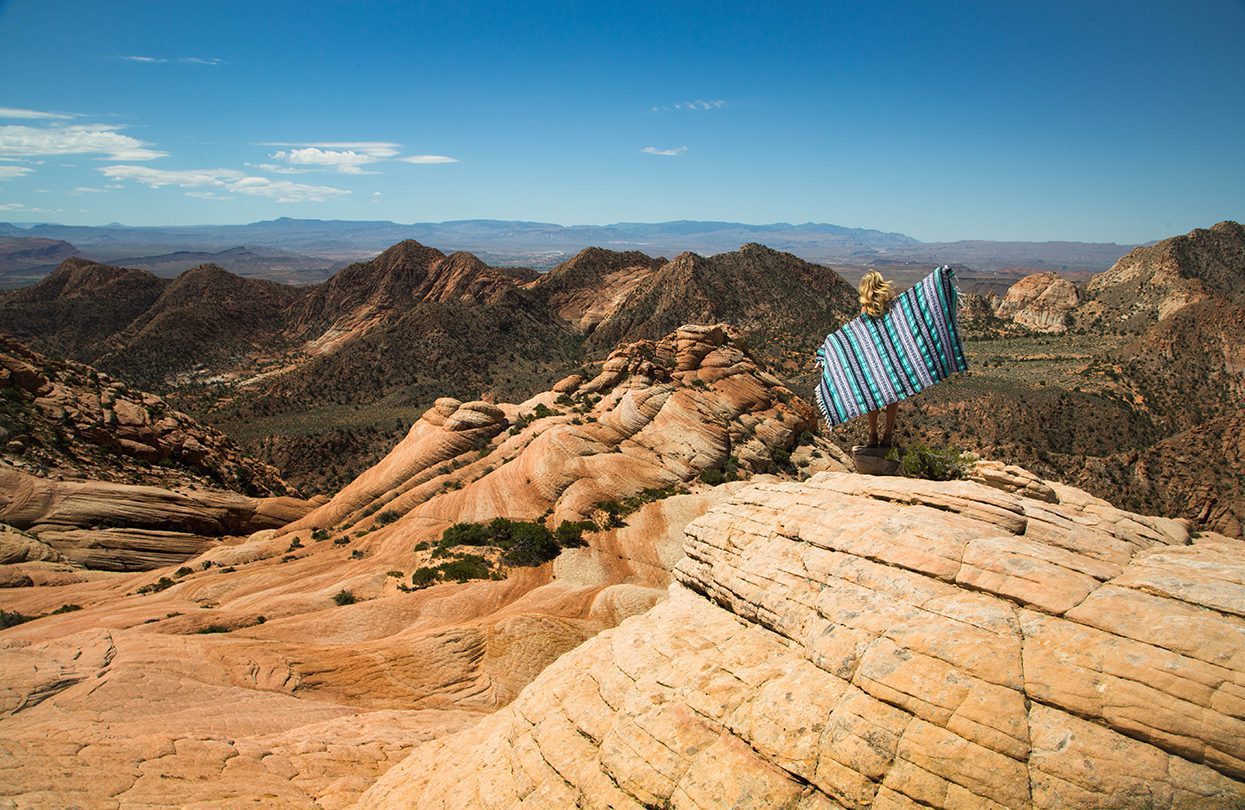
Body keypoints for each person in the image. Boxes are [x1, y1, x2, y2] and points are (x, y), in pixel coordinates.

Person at [858, 270, 898, 448]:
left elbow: (863, 335)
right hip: (891, 356)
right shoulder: (892, 305)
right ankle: (888, 436)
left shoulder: (865, 309)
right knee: (892, 397)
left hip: (873, 358)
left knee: (872, 397)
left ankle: (872, 435)